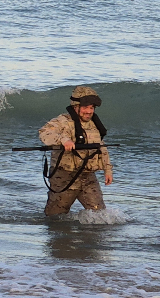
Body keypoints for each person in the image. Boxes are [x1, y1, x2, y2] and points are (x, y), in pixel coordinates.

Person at [38, 85, 113, 217]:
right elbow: (44, 132)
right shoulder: (63, 121)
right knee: (55, 218)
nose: (89, 111)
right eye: (85, 107)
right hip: (64, 177)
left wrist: (108, 170)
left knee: (100, 216)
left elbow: (101, 147)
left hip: (87, 177)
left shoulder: (94, 124)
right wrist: (63, 140)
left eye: (91, 108)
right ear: (75, 107)